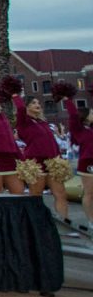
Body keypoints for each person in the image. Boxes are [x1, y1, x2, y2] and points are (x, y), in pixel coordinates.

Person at [13, 92, 69, 221]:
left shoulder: (43, 122)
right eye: (33, 103)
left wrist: (59, 157)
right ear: (26, 106)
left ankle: (65, 222)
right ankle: (38, 224)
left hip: (53, 161)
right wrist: (15, 95)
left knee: (61, 194)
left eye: (38, 103)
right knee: (36, 195)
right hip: (36, 163)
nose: (38, 105)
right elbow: (20, 109)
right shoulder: (23, 122)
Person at [61, 91, 93, 232]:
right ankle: (91, 221)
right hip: (88, 163)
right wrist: (68, 100)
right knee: (89, 193)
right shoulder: (79, 129)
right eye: (91, 112)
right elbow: (73, 116)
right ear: (85, 116)